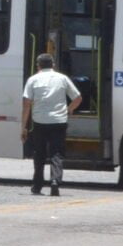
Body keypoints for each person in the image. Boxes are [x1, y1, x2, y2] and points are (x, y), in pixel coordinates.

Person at [21, 52, 83, 196]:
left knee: (39, 154)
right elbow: (78, 98)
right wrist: (69, 110)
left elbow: (26, 104)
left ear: (38, 66)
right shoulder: (62, 78)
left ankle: (37, 185)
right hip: (59, 122)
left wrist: (23, 127)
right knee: (57, 153)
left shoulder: (33, 80)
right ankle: (55, 181)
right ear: (53, 65)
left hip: (40, 122)